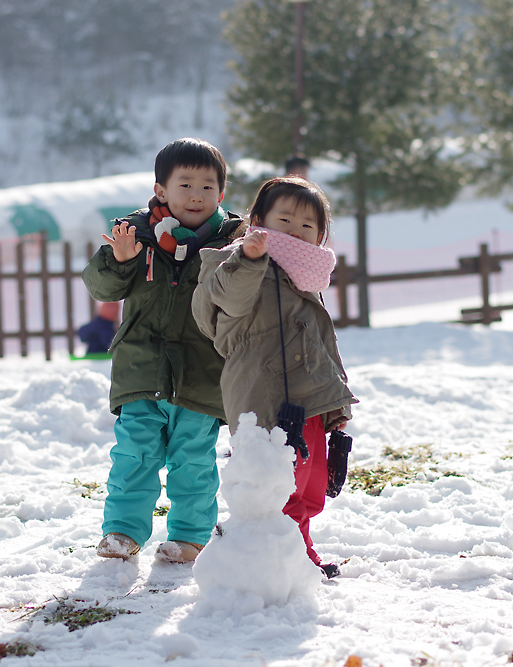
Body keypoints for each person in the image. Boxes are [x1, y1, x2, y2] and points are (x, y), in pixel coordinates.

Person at [82, 138, 246, 564]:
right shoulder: (134, 235)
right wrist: (119, 260)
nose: (196, 195)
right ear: (161, 191)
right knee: (134, 454)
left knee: (192, 460)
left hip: (201, 373)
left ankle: (189, 537)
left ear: (221, 194)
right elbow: (102, 287)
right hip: (141, 369)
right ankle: (122, 532)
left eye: (208, 187)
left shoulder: (233, 243)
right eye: (185, 184)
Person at [192, 177, 357, 579]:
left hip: (310, 397)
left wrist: (336, 398)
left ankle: (299, 553)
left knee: (309, 485)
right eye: (284, 219)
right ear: (259, 219)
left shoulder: (306, 275)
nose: (294, 231)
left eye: (306, 226)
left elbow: (321, 341)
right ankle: (263, 560)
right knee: (273, 485)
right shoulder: (232, 261)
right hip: (262, 394)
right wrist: (247, 260)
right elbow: (219, 306)